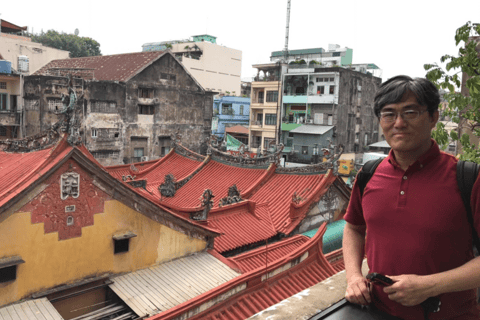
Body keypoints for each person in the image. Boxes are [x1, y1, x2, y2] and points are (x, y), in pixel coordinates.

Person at [343, 75, 480, 319]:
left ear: (434, 118)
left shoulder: (467, 178)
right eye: (388, 114)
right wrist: (354, 276)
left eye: (410, 113)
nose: (398, 123)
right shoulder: (368, 174)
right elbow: (354, 227)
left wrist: (430, 285)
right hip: (378, 312)